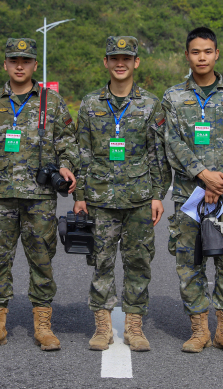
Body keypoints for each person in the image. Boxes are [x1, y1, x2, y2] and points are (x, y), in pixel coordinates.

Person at [0, 38, 79, 351]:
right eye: (14, 60)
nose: (19, 65)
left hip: (40, 197)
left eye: (26, 60)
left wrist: (68, 165)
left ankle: (43, 326)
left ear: (33, 65)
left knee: (42, 260)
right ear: (5, 63)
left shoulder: (51, 103)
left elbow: (68, 143)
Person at [162, 27, 223, 355]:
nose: (201, 57)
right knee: (189, 262)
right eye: (195, 52)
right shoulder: (174, 97)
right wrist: (203, 175)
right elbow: (171, 141)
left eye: (207, 51)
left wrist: (222, 177)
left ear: (216, 54)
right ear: (187, 56)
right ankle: (199, 329)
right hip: (189, 196)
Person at [74, 36, 171, 352]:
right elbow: (82, 152)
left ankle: (134, 326)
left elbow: (158, 153)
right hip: (100, 201)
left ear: (136, 63)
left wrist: (158, 195)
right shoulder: (90, 104)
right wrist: (80, 196)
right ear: (106, 62)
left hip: (139, 200)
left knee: (139, 263)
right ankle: (103, 327)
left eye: (126, 58)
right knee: (100, 263)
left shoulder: (150, 104)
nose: (120, 63)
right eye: (114, 57)